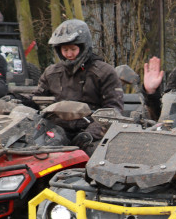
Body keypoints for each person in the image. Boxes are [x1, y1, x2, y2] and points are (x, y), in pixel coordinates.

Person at [35, 18, 124, 153]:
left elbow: (113, 111)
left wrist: (90, 134)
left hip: (91, 134)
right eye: (64, 50)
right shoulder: (51, 72)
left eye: (73, 49)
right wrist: (17, 101)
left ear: (83, 47)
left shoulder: (104, 72)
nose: (69, 54)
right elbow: (37, 100)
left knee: (98, 155)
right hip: (56, 131)